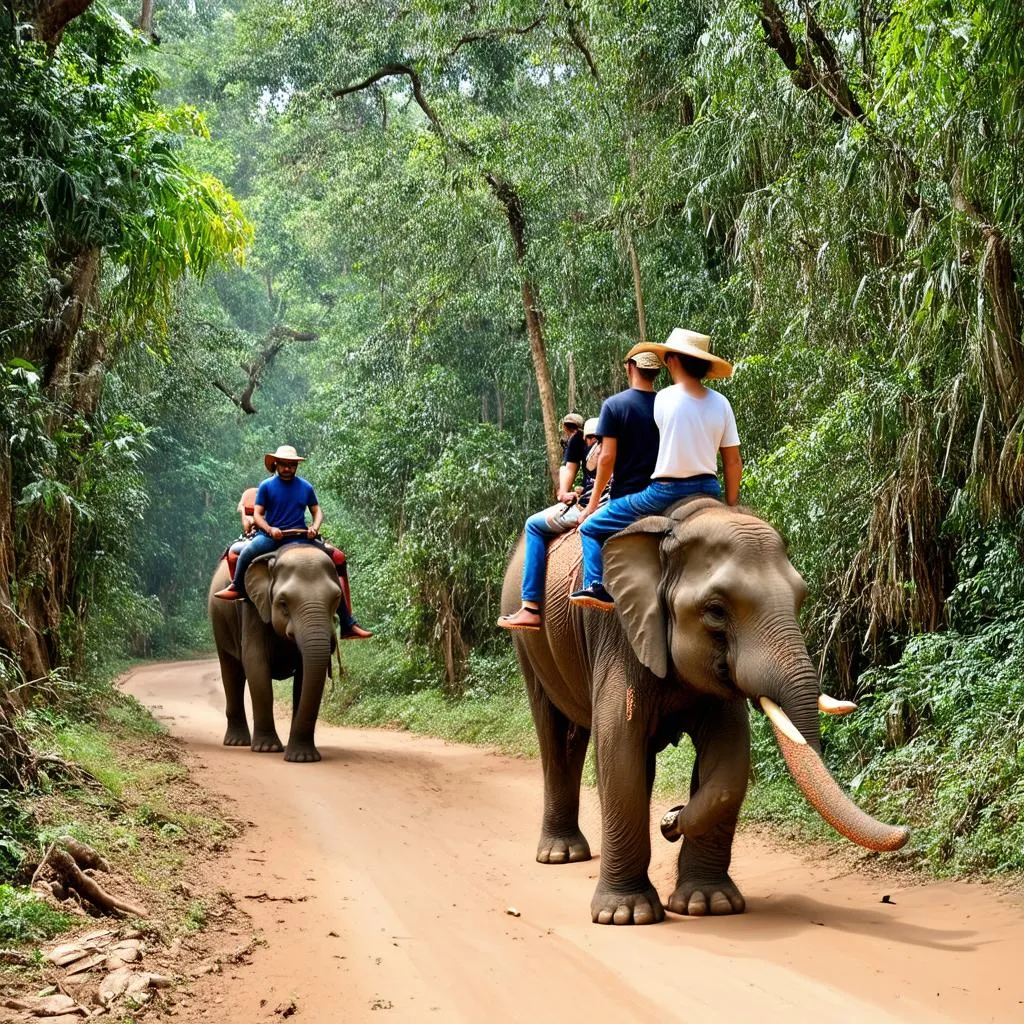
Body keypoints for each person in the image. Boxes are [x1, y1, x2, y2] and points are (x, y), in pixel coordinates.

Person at [570, 328, 741, 611]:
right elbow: (733, 462)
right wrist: (731, 505)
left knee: (590, 528)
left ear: (673, 360)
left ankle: (596, 585)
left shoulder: (664, 399)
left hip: (664, 492)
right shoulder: (722, 403)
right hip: (710, 488)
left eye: (667, 358)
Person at [497, 412, 599, 631]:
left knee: (533, 525)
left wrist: (566, 493)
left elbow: (569, 470)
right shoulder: (612, 439)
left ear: (581, 432)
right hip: (620, 502)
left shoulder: (579, 443)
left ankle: (530, 606)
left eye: (572, 429)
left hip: (592, 506)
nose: (569, 433)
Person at [214, 445, 323, 601]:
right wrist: (270, 529)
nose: (288, 468)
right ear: (276, 464)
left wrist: (314, 527)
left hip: (299, 536)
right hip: (271, 538)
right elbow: (258, 515)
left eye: (292, 465)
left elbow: (317, 511)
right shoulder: (266, 486)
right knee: (247, 552)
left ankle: (346, 619)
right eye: (284, 464)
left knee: (336, 558)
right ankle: (237, 586)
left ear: (297, 466)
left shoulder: (306, 487)